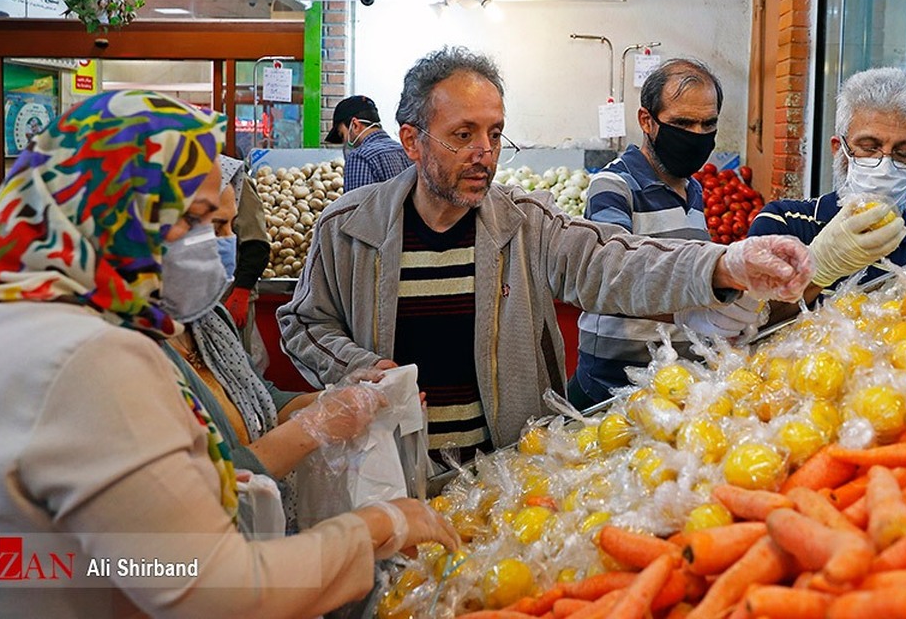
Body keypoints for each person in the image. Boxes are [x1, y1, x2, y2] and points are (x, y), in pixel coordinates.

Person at [0, 90, 457, 618]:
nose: (212, 245)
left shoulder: (0, 310)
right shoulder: (86, 355)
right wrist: (377, 527)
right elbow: (214, 589)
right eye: (193, 219)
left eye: (221, 224)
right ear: (116, 209)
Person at [279, 46, 815, 466]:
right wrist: (355, 367)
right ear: (413, 141)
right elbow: (305, 323)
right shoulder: (347, 229)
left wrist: (724, 264)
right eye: (463, 135)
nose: (484, 153)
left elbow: (611, 261)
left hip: (504, 471)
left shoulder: (526, 224)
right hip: (386, 467)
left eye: (495, 134)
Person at [162, 177, 379, 531]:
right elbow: (191, 491)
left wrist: (338, 398)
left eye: (232, 227)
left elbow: (261, 397)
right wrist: (312, 428)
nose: (231, 241)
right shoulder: (126, 352)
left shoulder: (206, 320)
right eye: (216, 226)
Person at [568, 58, 761, 409]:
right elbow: (611, 279)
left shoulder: (694, 190)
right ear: (647, 121)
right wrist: (695, 310)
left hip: (674, 384)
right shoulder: (614, 185)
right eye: (682, 123)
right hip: (613, 386)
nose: (697, 135)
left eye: (708, 124)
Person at [747, 67, 906, 303]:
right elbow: (752, 319)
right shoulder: (783, 223)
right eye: (869, 147)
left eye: (904, 153)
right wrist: (819, 267)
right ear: (838, 149)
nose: (885, 166)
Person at [216, 154, 272, 363]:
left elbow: (257, 244)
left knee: (234, 361)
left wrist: (241, 292)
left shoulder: (232, 177)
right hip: (200, 295)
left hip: (229, 295)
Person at [325, 94, 413, 192]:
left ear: (355, 125)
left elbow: (358, 202)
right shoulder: (407, 152)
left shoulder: (360, 158)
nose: (344, 142)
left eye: (342, 135)